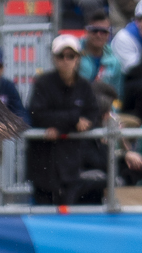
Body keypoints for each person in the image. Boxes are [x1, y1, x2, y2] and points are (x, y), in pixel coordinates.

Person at [27, 35, 105, 205]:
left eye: (71, 56)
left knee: (68, 212)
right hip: (44, 163)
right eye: (61, 56)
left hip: (71, 163)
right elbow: (36, 114)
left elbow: (93, 114)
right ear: (54, 59)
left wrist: (59, 125)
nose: (66, 60)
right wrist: (74, 120)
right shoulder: (43, 83)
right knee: (44, 212)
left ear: (78, 58)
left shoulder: (84, 86)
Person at [77, 9, 124, 96]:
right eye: (95, 30)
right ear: (86, 31)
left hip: (103, 106)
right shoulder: (73, 54)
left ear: (109, 34)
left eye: (104, 31)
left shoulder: (114, 62)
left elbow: (117, 95)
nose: (99, 35)